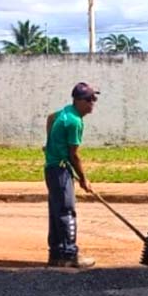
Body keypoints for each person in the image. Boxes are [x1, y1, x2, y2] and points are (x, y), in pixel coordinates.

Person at [43, 82, 98, 268]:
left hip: (52, 168)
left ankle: (56, 254)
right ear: (78, 101)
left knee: (56, 211)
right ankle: (69, 255)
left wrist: (49, 143)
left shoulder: (66, 112)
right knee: (66, 212)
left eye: (94, 98)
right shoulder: (75, 121)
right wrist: (84, 179)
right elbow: (74, 155)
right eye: (90, 99)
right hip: (60, 169)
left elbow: (50, 118)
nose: (93, 102)